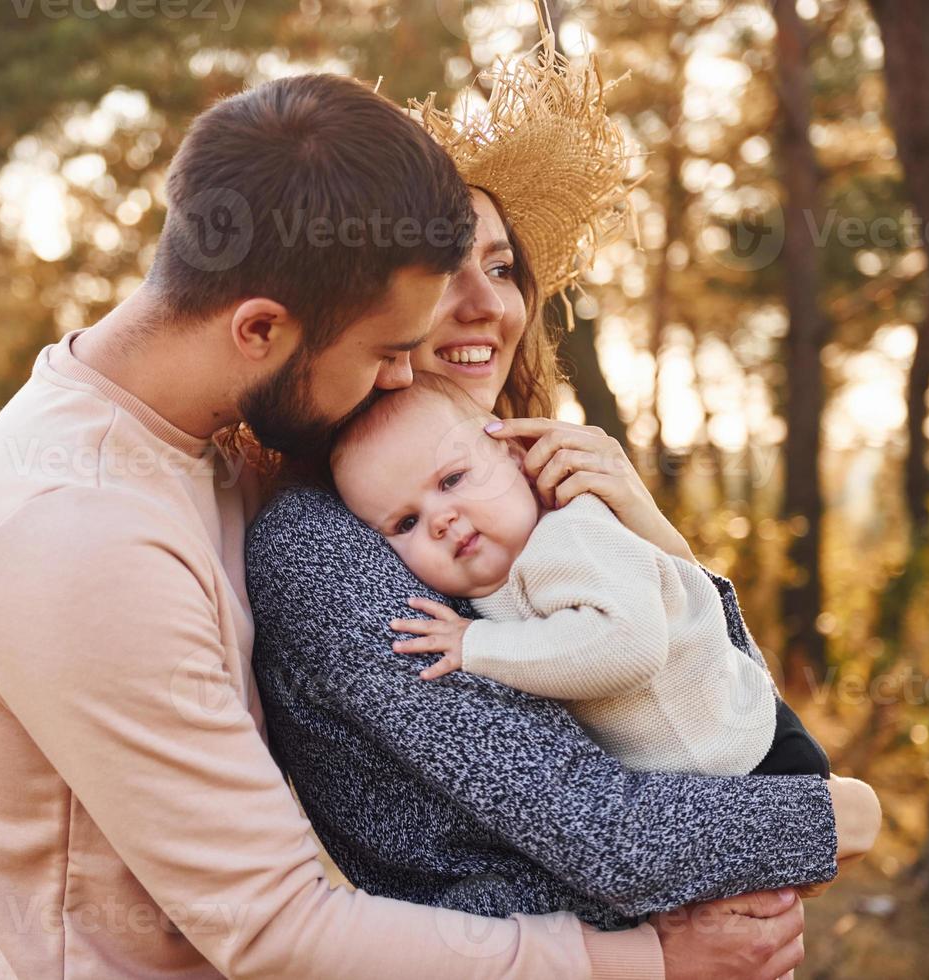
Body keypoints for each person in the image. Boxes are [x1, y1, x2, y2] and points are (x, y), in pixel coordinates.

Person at [0, 68, 799, 979]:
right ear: (259, 329)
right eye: (385, 351)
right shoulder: (79, 532)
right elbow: (274, 929)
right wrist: (647, 962)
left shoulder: (199, 450)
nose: (400, 380)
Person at [244, 41, 879, 978]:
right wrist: (839, 813)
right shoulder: (323, 544)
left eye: (502, 269)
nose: (483, 306)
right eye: (441, 272)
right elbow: (602, 830)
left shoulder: (528, 485)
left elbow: (716, 706)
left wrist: (652, 532)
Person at [329, 371, 832, 780]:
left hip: (754, 758)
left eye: (452, 479)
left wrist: (477, 645)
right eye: (406, 522)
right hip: (699, 777)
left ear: (516, 456)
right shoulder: (492, 585)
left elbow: (627, 647)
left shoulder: (573, 533)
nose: (440, 519)